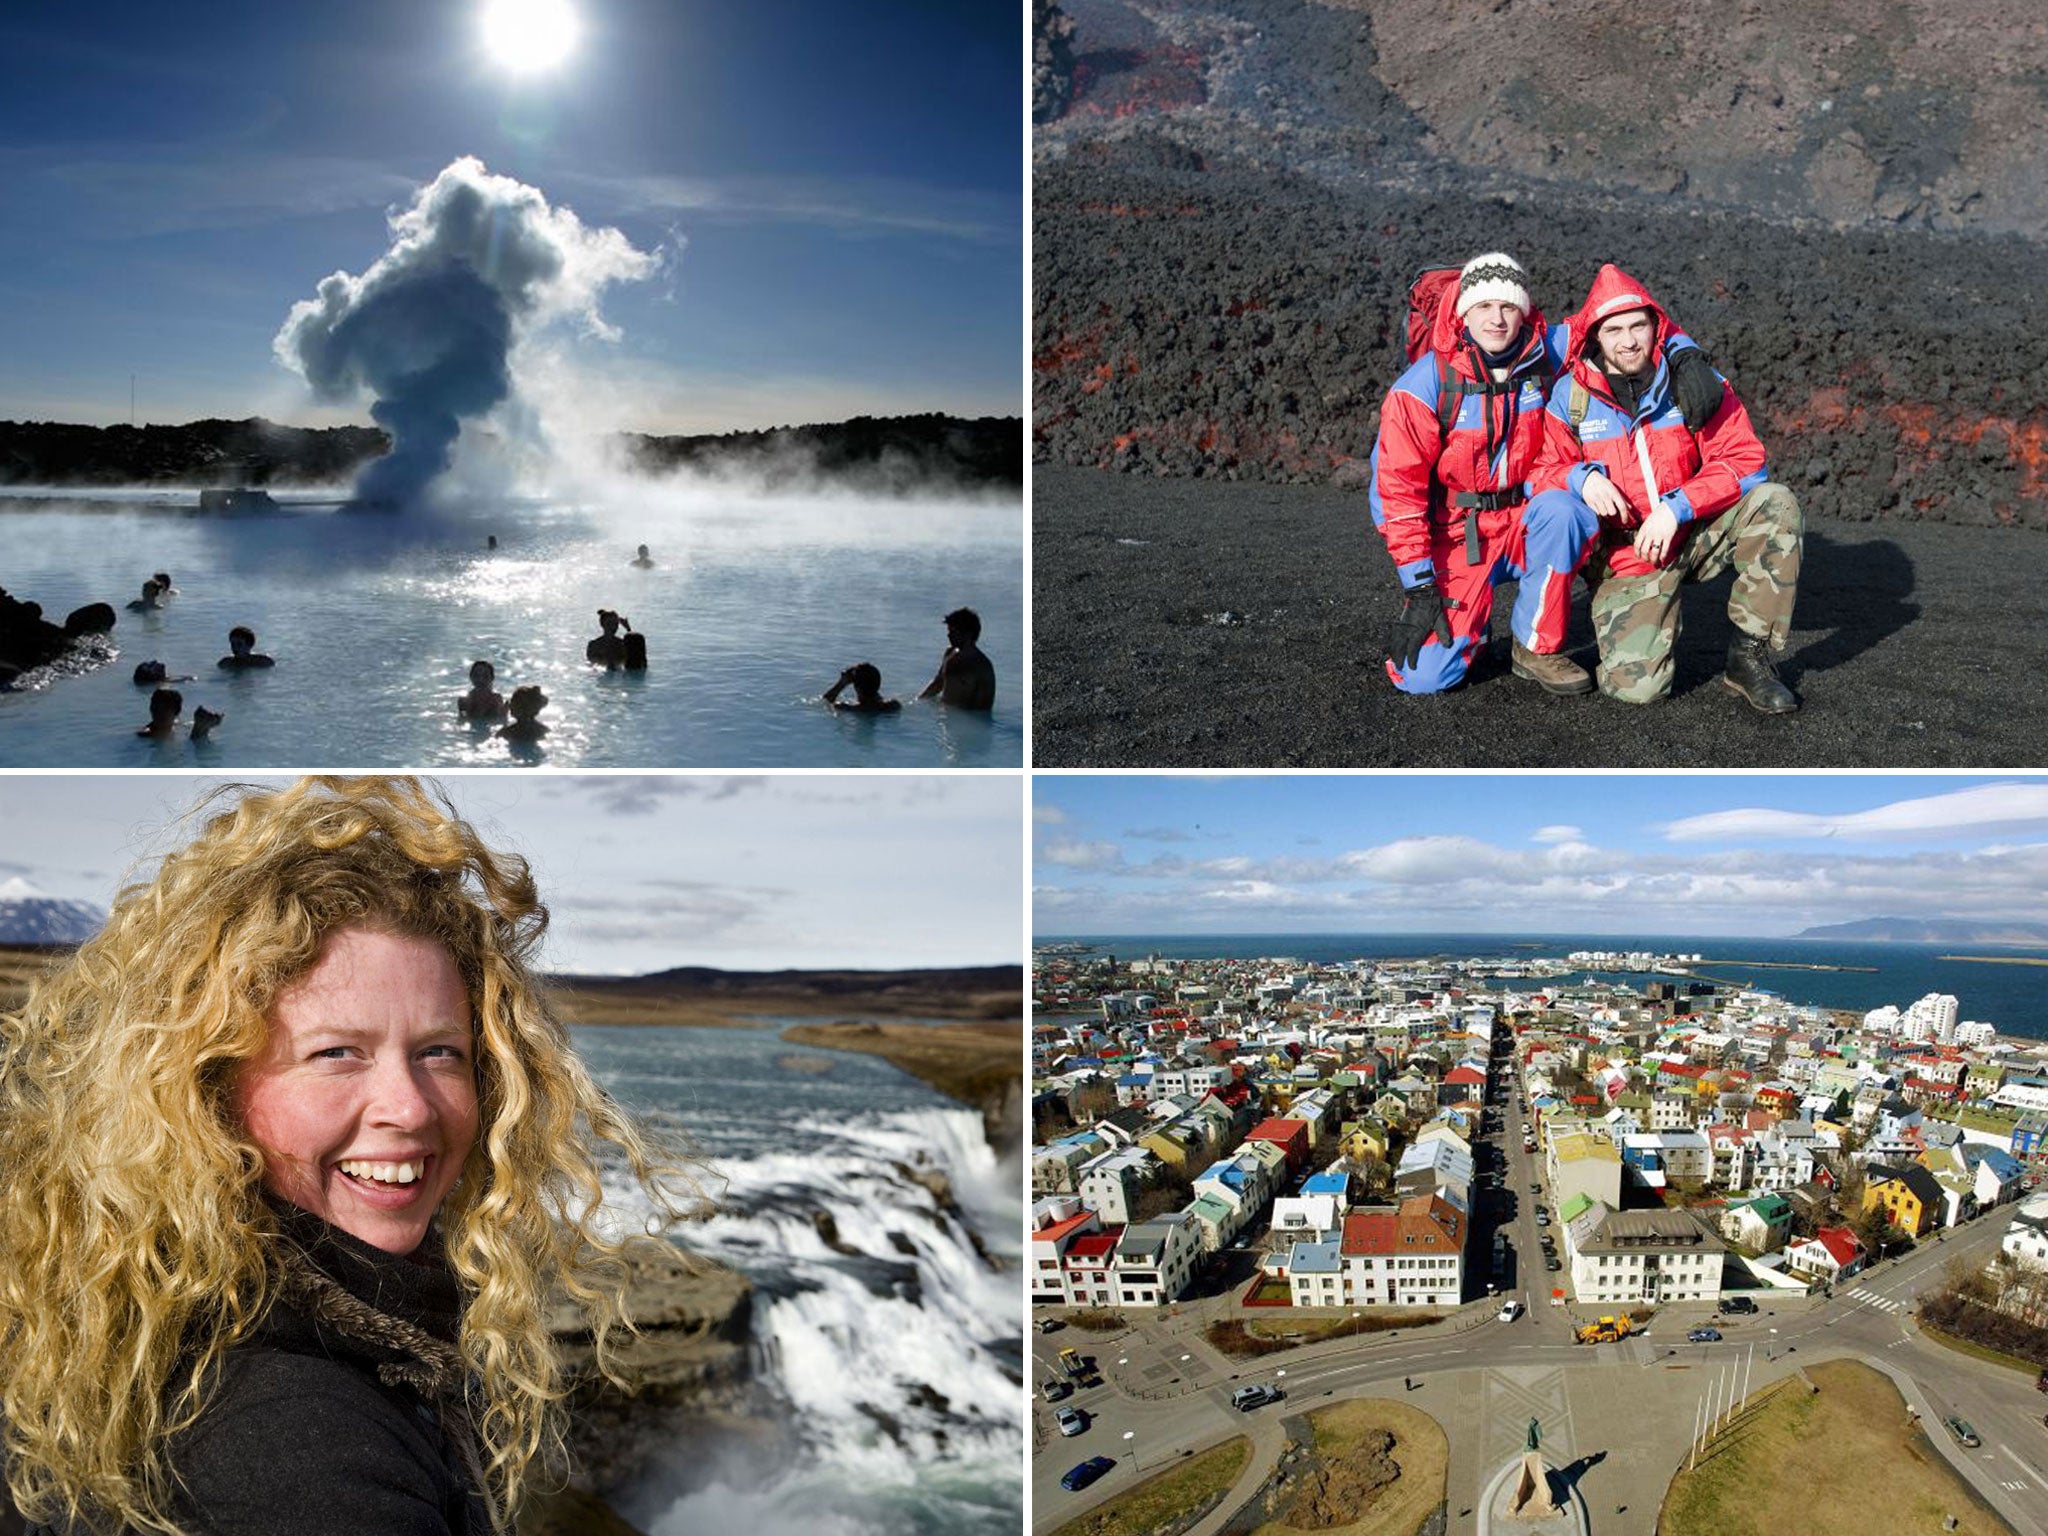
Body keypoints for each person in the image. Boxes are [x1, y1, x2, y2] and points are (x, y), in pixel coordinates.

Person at [0, 778, 713, 1536]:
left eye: (441, 1052)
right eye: (336, 1052)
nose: (408, 1107)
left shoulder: (121, 1309)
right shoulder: (305, 1454)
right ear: (204, 1087)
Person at [1369, 252, 1724, 695]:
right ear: (1463, 312)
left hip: (1526, 516)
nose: (1497, 319)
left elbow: (1620, 315)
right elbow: (1396, 495)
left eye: (1508, 306)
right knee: (1423, 678)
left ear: (1524, 311)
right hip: (1457, 533)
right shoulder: (1422, 388)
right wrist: (1420, 587)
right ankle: (1470, 625)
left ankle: (1535, 647)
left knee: (1565, 512)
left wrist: (1685, 351)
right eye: (1483, 306)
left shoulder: (1547, 349)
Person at [1532, 262, 1802, 712]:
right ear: (1595, 336)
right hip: (1627, 556)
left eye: (1638, 325)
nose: (1628, 340)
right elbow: (1543, 470)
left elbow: (1746, 462)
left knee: (1775, 504)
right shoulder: (1570, 398)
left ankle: (1748, 660)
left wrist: (1678, 506)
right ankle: (1637, 611)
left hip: (1694, 533)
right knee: (1636, 692)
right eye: (1614, 329)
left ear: (1656, 326)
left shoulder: (1692, 384)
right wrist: (1581, 478)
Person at [918, 607, 996, 710]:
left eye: (953, 631)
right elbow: (938, 683)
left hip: (966, 720)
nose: (948, 635)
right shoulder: (950, 653)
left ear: (968, 633)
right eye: (948, 630)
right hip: (944, 715)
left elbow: (984, 707)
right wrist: (918, 702)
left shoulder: (982, 666)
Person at [824, 662, 902, 714]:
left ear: (856, 687)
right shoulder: (893, 705)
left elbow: (826, 701)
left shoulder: (847, 708)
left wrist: (842, 683)